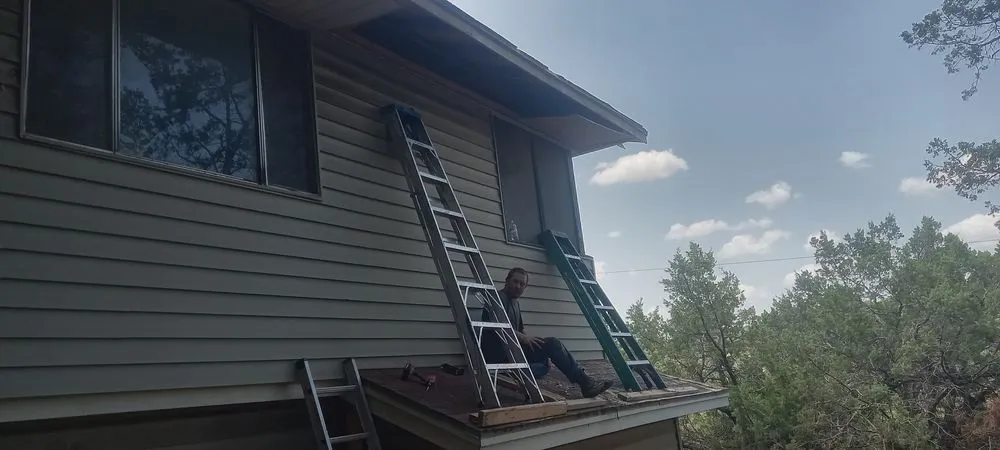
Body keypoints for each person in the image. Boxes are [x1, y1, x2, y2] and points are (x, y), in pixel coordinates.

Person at [479, 267, 613, 398]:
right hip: (498, 353)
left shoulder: (515, 304)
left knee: (544, 362)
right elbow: (498, 327)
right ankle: (586, 383)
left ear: (525, 287)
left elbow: (520, 329)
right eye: (515, 281)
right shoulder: (496, 297)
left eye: (522, 284)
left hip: (513, 350)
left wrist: (529, 341)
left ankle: (514, 373)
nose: (518, 286)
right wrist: (524, 339)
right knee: (552, 344)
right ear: (507, 280)